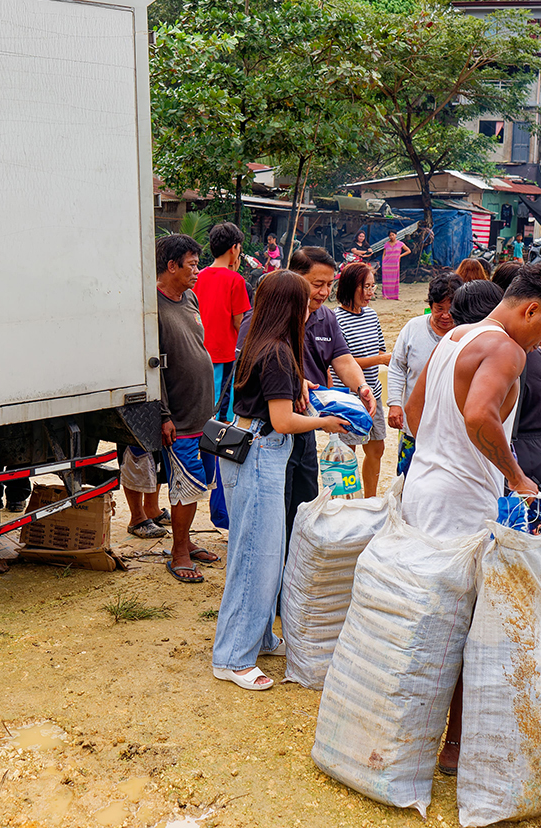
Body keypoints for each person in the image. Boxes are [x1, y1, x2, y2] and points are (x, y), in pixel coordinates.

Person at [400, 267, 541, 775]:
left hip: (423, 490)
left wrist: (439, 451)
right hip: (462, 503)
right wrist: (517, 478)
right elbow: (480, 415)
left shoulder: (454, 337)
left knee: (426, 613)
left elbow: (412, 410)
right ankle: (454, 745)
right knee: (467, 625)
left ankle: (413, 728)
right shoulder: (506, 349)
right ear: (530, 310)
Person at [211, 272, 349, 691]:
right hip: (260, 455)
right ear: (291, 307)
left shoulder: (264, 343)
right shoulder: (276, 351)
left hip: (254, 452)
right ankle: (233, 658)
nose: (312, 309)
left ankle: (259, 638)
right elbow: (283, 420)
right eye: (306, 303)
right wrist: (325, 422)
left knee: (262, 553)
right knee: (258, 556)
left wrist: (299, 385)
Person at [236, 247, 375, 546]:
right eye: (317, 284)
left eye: (329, 285)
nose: (324, 292)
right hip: (271, 430)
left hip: (305, 425)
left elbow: (343, 360)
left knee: (305, 499)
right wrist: (293, 381)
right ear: (295, 279)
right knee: (274, 510)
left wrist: (361, 388)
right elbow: (251, 366)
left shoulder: (326, 317)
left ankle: (294, 559)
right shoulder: (264, 319)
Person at [120, 234, 226, 583]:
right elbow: (152, 368)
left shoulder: (189, 298)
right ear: (171, 266)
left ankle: (187, 541)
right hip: (178, 417)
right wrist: (163, 415)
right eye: (192, 265)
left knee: (197, 484)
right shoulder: (152, 307)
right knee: (185, 485)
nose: (197, 271)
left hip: (201, 412)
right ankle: (179, 552)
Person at [387, 273, 462, 475]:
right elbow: (397, 367)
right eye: (439, 309)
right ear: (431, 305)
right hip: (414, 426)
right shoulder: (413, 328)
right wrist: (395, 403)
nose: (445, 315)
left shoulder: (467, 333)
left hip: (452, 430)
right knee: (408, 479)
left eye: (451, 309)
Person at [332, 263, 390, 498]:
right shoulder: (335, 319)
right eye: (366, 287)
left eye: (372, 287)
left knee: (377, 448)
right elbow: (344, 361)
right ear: (350, 286)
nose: (370, 293)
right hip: (347, 397)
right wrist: (381, 359)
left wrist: (385, 357)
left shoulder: (371, 315)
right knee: (347, 451)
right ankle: (345, 502)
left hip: (373, 393)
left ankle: (370, 499)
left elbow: (380, 349)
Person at [195, 223, 253, 421]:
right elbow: (239, 322)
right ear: (234, 248)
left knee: (204, 398)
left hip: (200, 350)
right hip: (225, 352)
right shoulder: (236, 280)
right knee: (222, 404)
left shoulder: (198, 276)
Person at [380, 230, 412, 300]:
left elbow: (408, 251)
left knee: (395, 280)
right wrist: (383, 263)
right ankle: (385, 295)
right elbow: (384, 254)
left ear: (396, 235)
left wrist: (400, 256)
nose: (391, 237)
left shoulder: (400, 244)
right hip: (386, 264)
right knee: (386, 280)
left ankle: (395, 295)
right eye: (390, 235)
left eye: (393, 235)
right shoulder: (386, 244)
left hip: (395, 264)